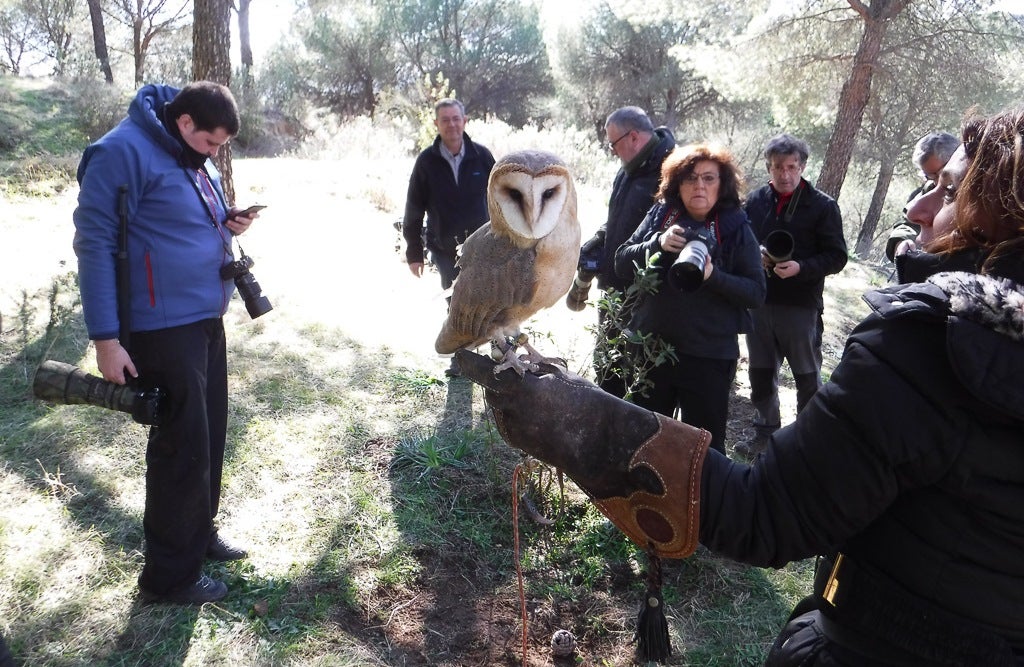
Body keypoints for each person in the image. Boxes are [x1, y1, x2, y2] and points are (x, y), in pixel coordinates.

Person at [455, 106, 1024, 666]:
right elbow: (622, 264)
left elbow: (767, 513)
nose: (920, 206)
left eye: (948, 192)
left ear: (1002, 221)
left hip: (875, 640)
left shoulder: (927, 347)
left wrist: (583, 421)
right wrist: (656, 250)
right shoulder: (659, 218)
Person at [73, 81, 254, 605]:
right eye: (209, 145)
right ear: (183, 124)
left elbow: (188, 217)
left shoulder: (189, 150)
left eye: (221, 147)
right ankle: (169, 578)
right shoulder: (119, 152)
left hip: (203, 317)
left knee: (209, 434)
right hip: (160, 326)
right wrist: (106, 339)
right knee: (180, 446)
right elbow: (95, 244)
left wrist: (228, 222)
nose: (214, 155)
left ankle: (199, 534)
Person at [613, 144, 765, 455]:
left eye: (709, 178)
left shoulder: (736, 226)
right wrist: (657, 243)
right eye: (690, 178)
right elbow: (620, 262)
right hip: (651, 348)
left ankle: (701, 504)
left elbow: (756, 293)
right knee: (644, 440)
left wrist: (714, 276)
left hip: (708, 357)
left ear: (722, 185)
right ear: (677, 184)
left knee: (703, 449)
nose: (699, 186)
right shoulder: (662, 215)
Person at [736, 134, 847, 459]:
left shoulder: (823, 206)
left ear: (802, 167)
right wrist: (752, 255)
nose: (784, 175)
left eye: (791, 167)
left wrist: (801, 267)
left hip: (801, 306)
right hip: (760, 302)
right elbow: (740, 242)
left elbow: (837, 256)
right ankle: (765, 435)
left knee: (806, 376)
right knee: (760, 373)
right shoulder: (755, 202)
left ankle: (806, 442)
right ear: (768, 167)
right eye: (777, 168)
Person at [572, 106, 676, 398]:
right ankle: (605, 426)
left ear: (632, 137)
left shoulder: (671, 171)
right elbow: (621, 217)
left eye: (613, 143)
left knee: (638, 374)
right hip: (614, 287)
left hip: (646, 291)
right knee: (607, 365)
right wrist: (600, 239)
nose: (613, 151)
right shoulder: (630, 168)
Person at [401, 99, 495, 375]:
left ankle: (500, 351)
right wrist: (414, 252)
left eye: (456, 118)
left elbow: (504, 197)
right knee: (455, 302)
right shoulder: (426, 162)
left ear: (464, 121)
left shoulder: (482, 156)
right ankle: (461, 356)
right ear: (436, 124)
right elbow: (413, 207)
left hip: (483, 246)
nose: (452, 125)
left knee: (489, 299)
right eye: (445, 120)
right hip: (444, 247)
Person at [884, 131, 960, 262]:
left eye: (939, 174)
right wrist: (901, 242)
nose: (936, 182)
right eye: (928, 176)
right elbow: (907, 222)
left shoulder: (974, 194)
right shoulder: (927, 190)